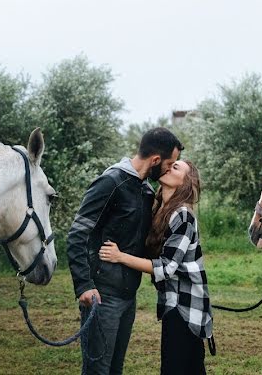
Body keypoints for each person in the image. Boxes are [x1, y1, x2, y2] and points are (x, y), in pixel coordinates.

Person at [67, 127, 184, 375]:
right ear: (155, 160)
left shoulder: (145, 190)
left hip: (128, 296)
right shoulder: (110, 183)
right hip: (102, 296)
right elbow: (77, 234)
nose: (169, 169)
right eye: (169, 163)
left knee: (115, 370)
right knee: (97, 371)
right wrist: (83, 285)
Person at [99, 159, 213, 375]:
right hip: (173, 303)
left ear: (186, 182)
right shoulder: (161, 209)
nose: (168, 167)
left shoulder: (183, 215)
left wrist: (119, 256)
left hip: (187, 307)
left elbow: (167, 267)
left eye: (176, 167)